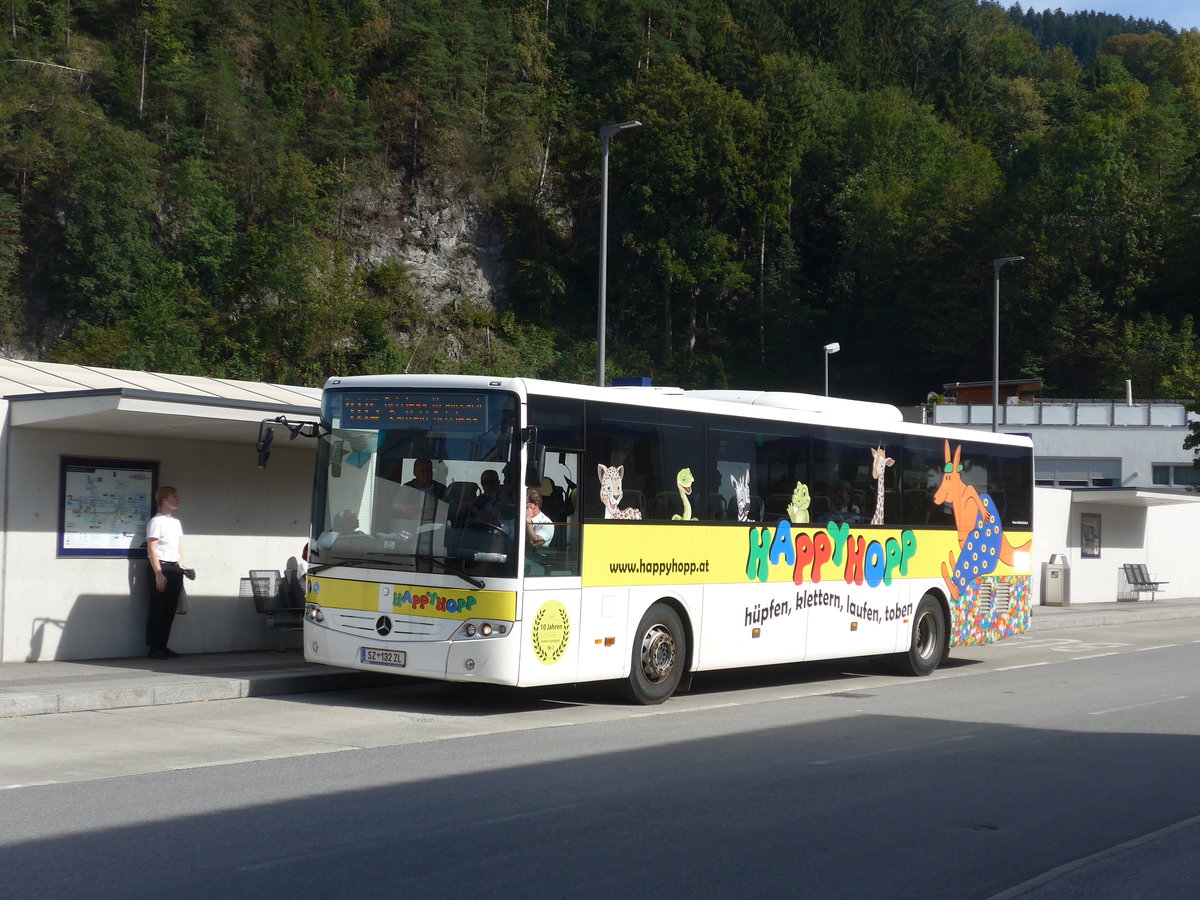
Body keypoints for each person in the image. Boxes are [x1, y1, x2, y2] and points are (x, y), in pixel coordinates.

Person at [145, 485, 189, 660]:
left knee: (170, 609)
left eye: (177, 496)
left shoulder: (175, 522)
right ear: (164, 500)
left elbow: (177, 546)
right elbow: (152, 548)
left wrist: (183, 565)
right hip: (160, 567)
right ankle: (154, 647)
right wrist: (158, 573)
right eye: (173, 496)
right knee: (158, 608)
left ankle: (163, 645)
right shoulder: (156, 522)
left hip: (174, 567)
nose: (177, 499)